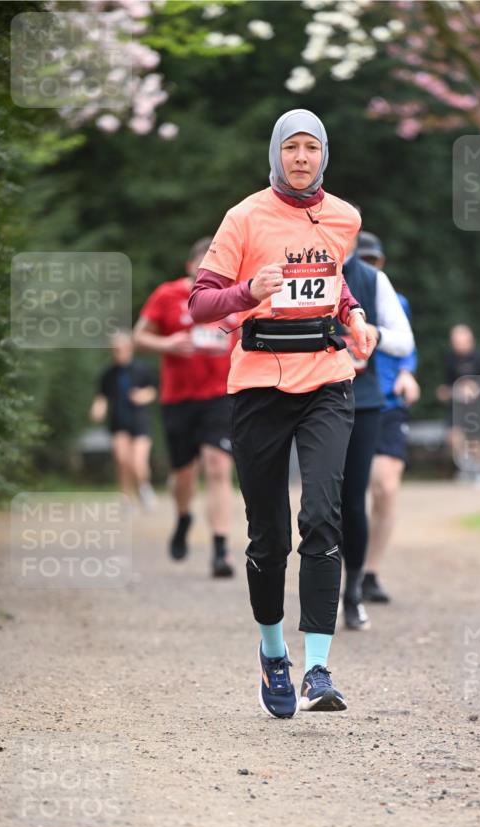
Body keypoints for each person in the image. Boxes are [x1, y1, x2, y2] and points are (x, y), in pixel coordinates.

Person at [188, 109, 375, 718]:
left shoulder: (343, 216)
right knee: (269, 537)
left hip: (326, 378)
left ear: (324, 155)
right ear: (276, 154)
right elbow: (199, 303)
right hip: (259, 386)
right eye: (291, 147)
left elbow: (333, 280)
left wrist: (354, 318)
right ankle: (274, 655)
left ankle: (318, 666)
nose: (301, 158)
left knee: (322, 517)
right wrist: (249, 292)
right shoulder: (243, 217)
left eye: (312, 148)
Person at [133, 238, 237, 576]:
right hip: (178, 398)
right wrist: (167, 343)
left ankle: (221, 549)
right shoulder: (168, 295)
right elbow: (139, 337)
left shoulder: (235, 297)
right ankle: (183, 517)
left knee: (218, 465)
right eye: (203, 264)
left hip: (221, 395)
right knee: (183, 474)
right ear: (191, 266)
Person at [337, 230, 415, 628]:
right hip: (306, 396)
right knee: (318, 504)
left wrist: (374, 334)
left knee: (353, 500)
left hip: (364, 402)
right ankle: (317, 587)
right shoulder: (296, 266)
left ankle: (353, 591)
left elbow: (404, 341)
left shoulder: (371, 280)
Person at [89, 331, 157, 507]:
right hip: (118, 421)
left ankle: (144, 487)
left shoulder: (141, 368)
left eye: (120, 349)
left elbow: (152, 391)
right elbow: (102, 396)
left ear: (129, 348)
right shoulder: (108, 373)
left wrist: (143, 395)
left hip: (139, 421)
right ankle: (126, 498)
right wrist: (98, 408)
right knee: (122, 460)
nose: (117, 353)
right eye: (114, 350)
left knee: (137, 462)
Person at [436, 324, 480, 486]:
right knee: (453, 438)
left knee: (476, 441)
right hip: (456, 408)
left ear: (470, 340)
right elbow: (446, 386)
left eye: (461, 340)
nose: (458, 344)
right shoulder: (450, 359)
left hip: (476, 408)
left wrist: (476, 389)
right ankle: (466, 469)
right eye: (455, 341)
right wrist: (448, 392)